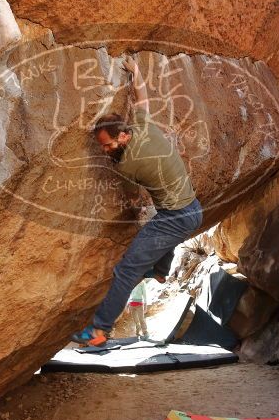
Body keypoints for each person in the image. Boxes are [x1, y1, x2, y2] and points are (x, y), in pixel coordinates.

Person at [71, 57, 203, 347]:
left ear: (123, 136)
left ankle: (99, 331)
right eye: (102, 147)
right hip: (193, 208)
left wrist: (127, 206)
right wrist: (136, 71)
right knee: (160, 228)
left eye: (108, 145)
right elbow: (142, 97)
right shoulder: (143, 125)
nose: (106, 151)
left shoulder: (126, 166)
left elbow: (132, 196)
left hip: (177, 216)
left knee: (126, 270)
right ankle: (159, 270)